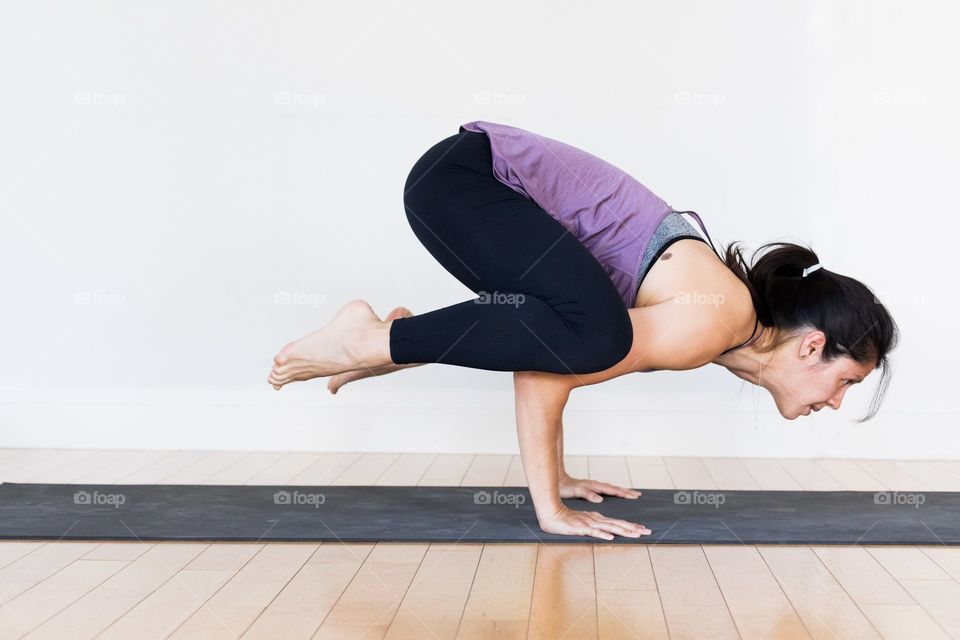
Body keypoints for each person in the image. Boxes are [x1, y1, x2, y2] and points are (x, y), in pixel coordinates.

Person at [266, 121, 899, 541]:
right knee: (596, 335)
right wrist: (551, 509)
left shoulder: (717, 325)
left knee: (582, 329)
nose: (836, 402)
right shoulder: (717, 319)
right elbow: (546, 370)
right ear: (812, 345)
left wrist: (560, 476)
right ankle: (373, 339)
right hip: (468, 181)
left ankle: (378, 337)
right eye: (845, 381)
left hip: (451, 182)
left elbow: (536, 341)